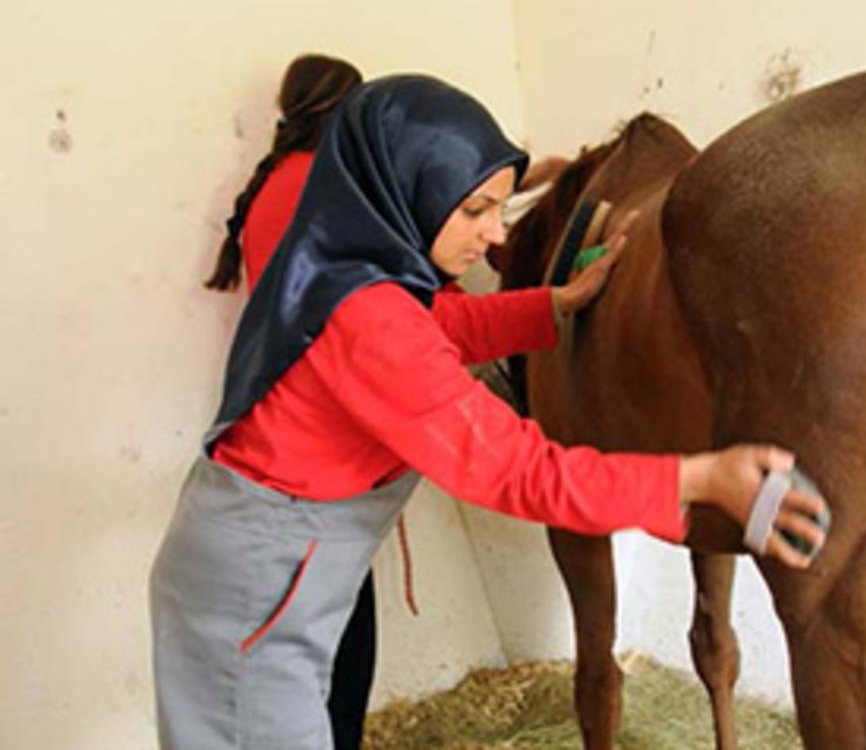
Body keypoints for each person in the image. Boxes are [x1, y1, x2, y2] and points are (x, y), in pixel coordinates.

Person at [151, 73, 827, 750]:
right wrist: (697, 480)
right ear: (410, 189)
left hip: (263, 563)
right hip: (258, 580)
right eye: (475, 210)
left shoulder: (347, 270)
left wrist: (554, 303)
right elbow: (521, 473)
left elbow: (440, 323)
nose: (493, 234)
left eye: (499, 209)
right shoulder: (368, 318)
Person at [202, 53, 376, 750]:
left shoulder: (279, 183)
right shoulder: (318, 190)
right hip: (319, 450)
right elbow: (385, 292)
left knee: (323, 630)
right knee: (340, 637)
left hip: (287, 438)